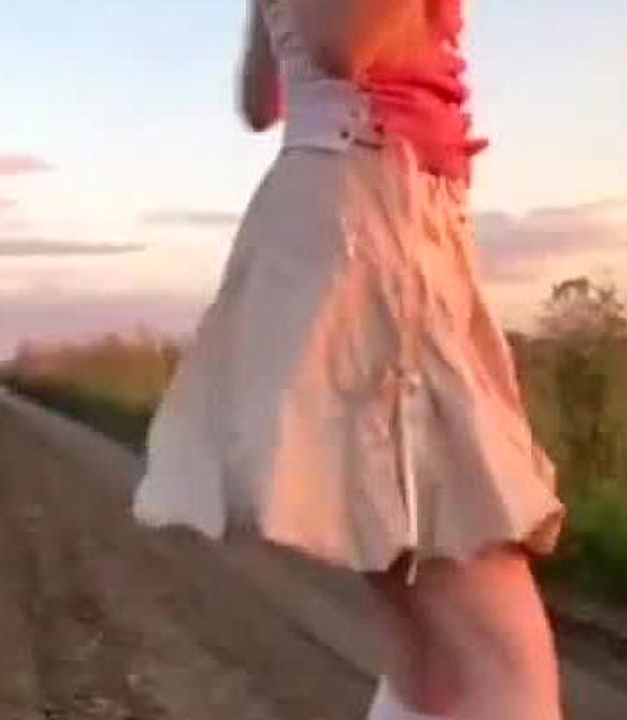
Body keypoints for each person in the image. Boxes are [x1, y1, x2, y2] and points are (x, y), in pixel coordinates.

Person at [132, 1, 566, 718]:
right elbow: (342, 44)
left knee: (436, 662)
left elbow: (262, 99)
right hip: (373, 212)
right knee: (499, 659)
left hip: (362, 203)